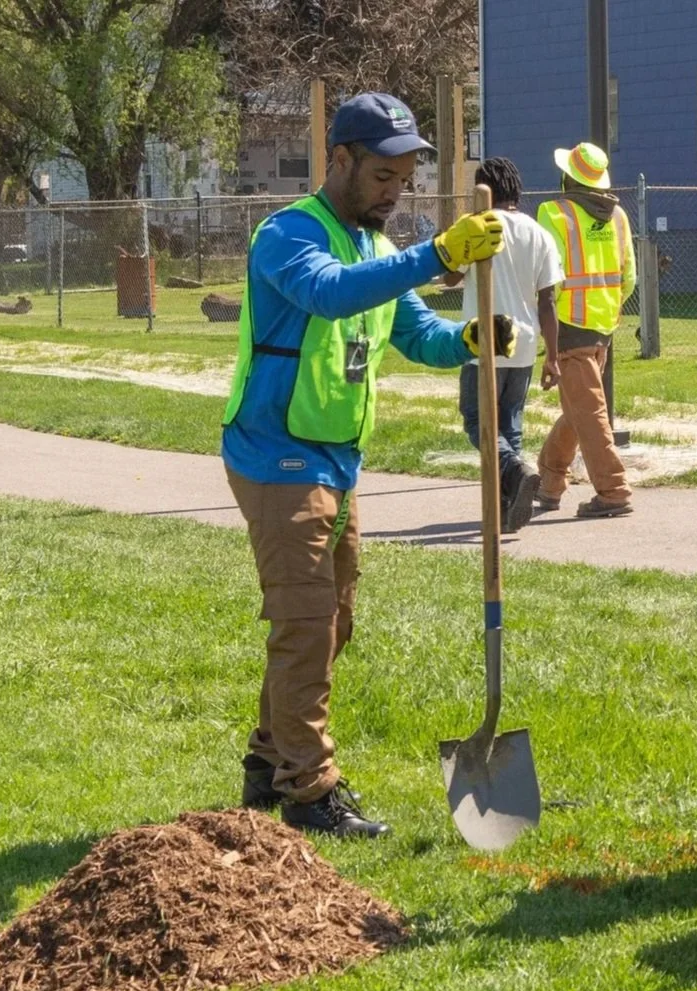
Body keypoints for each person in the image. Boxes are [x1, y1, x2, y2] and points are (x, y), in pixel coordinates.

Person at [221, 92, 514, 838]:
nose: (395, 192)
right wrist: (439, 253)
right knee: (306, 624)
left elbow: (417, 334)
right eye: (384, 176)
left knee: (331, 623)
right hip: (276, 456)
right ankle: (309, 791)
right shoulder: (288, 235)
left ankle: (267, 759)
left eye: (406, 179)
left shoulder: (376, 250)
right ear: (341, 160)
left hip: (337, 464)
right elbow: (328, 295)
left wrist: (471, 339)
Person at [448, 157, 565, 533]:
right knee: (509, 426)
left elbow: (450, 277)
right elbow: (548, 302)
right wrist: (553, 357)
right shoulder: (539, 234)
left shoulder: (478, 226)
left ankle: (515, 471)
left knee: (477, 419)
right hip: (525, 342)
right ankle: (507, 507)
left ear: (483, 191)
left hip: (484, 338)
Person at [533, 142, 636, 519]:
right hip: (602, 327)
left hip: (568, 326)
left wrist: (549, 329)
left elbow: (549, 278)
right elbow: (629, 278)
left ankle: (613, 491)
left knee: (589, 414)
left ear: (568, 177)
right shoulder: (619, 216)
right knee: (582, 408)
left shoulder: (553, 213)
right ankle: (549, 480)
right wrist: (605, 308)